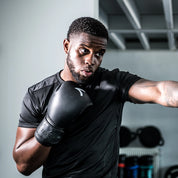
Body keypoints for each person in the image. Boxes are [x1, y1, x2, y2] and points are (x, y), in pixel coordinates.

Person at [13, 17, 178, 178]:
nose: (91, 60)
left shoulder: (114, 83)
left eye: (99, 53)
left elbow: (161, 91)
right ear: (66, 46)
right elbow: (24, 166)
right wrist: (51, 125)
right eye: (84, 50)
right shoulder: (38, 94)